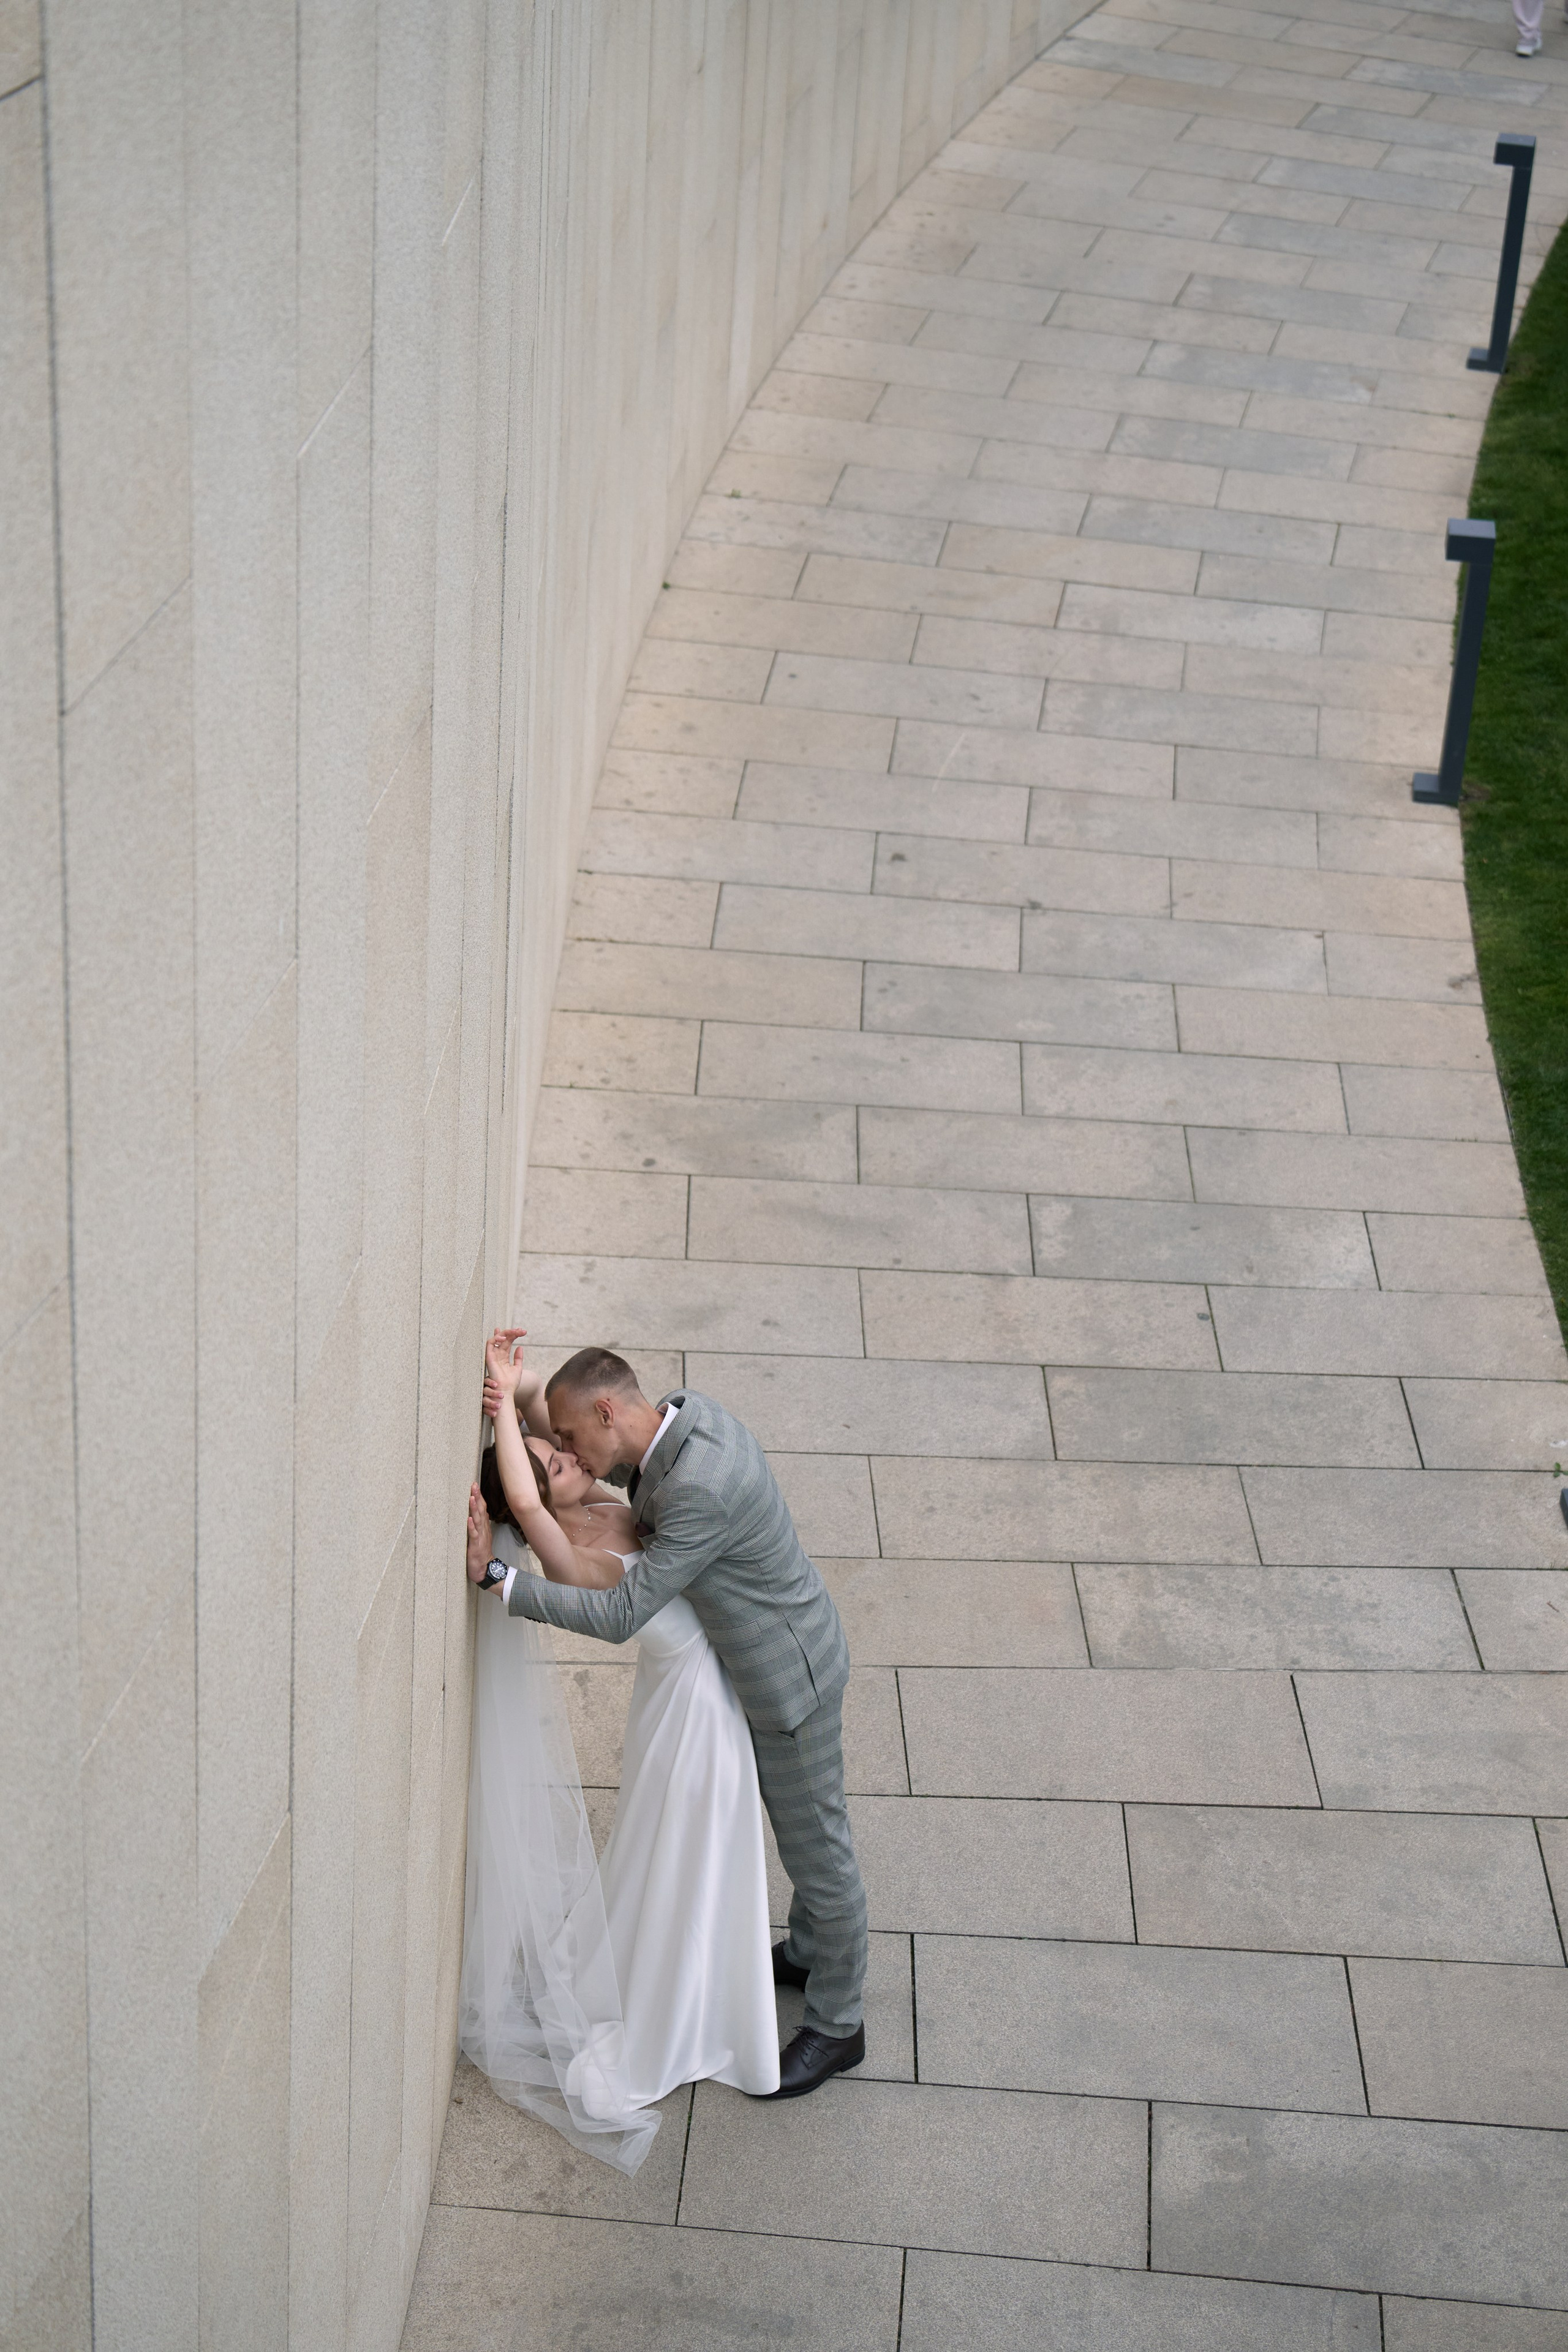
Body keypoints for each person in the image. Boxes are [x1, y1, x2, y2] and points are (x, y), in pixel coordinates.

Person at [468, 1333, 868, 2102]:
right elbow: (556, 1458)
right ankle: (815, 1948)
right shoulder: (682, 1422)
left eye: (576, 1439)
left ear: (611, 1411)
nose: (575, 1457)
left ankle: (839, 2021)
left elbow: (618, 1613)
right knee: (800, 1836)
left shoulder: (699, 1488)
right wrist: (515, 1396)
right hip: (739, 1665)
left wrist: (498, 1577)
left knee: (818, 1846)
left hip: (789, 1680)